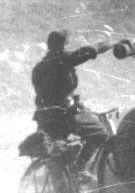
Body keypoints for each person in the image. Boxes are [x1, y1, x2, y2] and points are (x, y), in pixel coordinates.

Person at [31, 30, 112, 182]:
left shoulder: (38, 67)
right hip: (62, 114)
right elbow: (91, 50)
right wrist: (110, 42)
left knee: (61, 152)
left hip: (44, 117)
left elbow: (44, 94)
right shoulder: (64, 59)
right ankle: (80, 169)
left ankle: (65, 184)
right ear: (64, 45)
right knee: (101, 134)